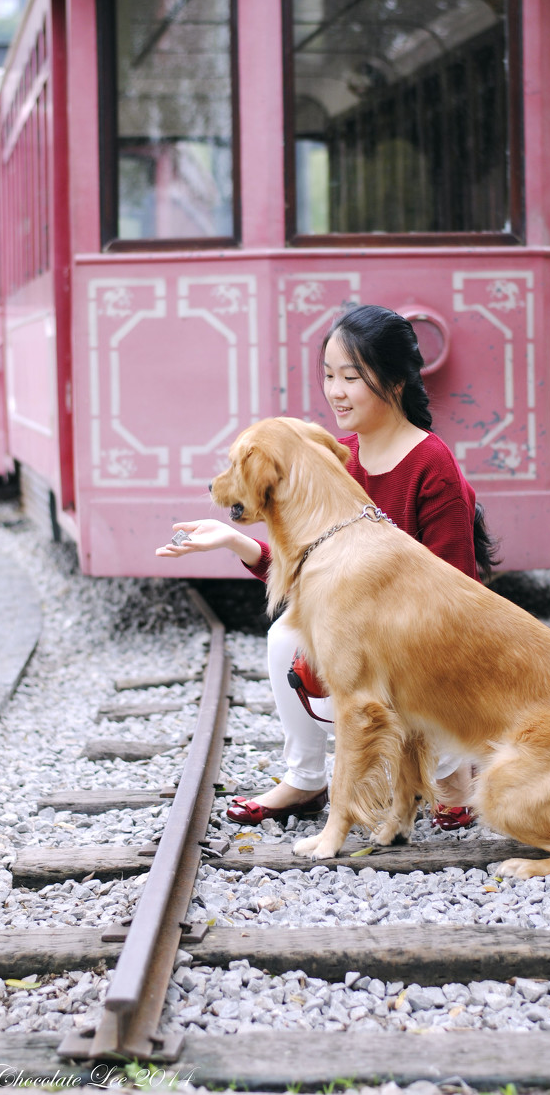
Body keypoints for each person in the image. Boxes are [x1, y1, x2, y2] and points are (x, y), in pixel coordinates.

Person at [156, 304, 498, 830]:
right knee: (282, 638)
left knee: (402, 665)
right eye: (328, 376)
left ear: (396, 382)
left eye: (352, 378)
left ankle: (453, 774)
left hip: (422, 633)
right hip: (357, 626)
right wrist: (234, 541)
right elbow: (310, 569)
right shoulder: (340, 458)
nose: (335, 391)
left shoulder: (432, 464)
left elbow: (457, 590)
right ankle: (305, 779)